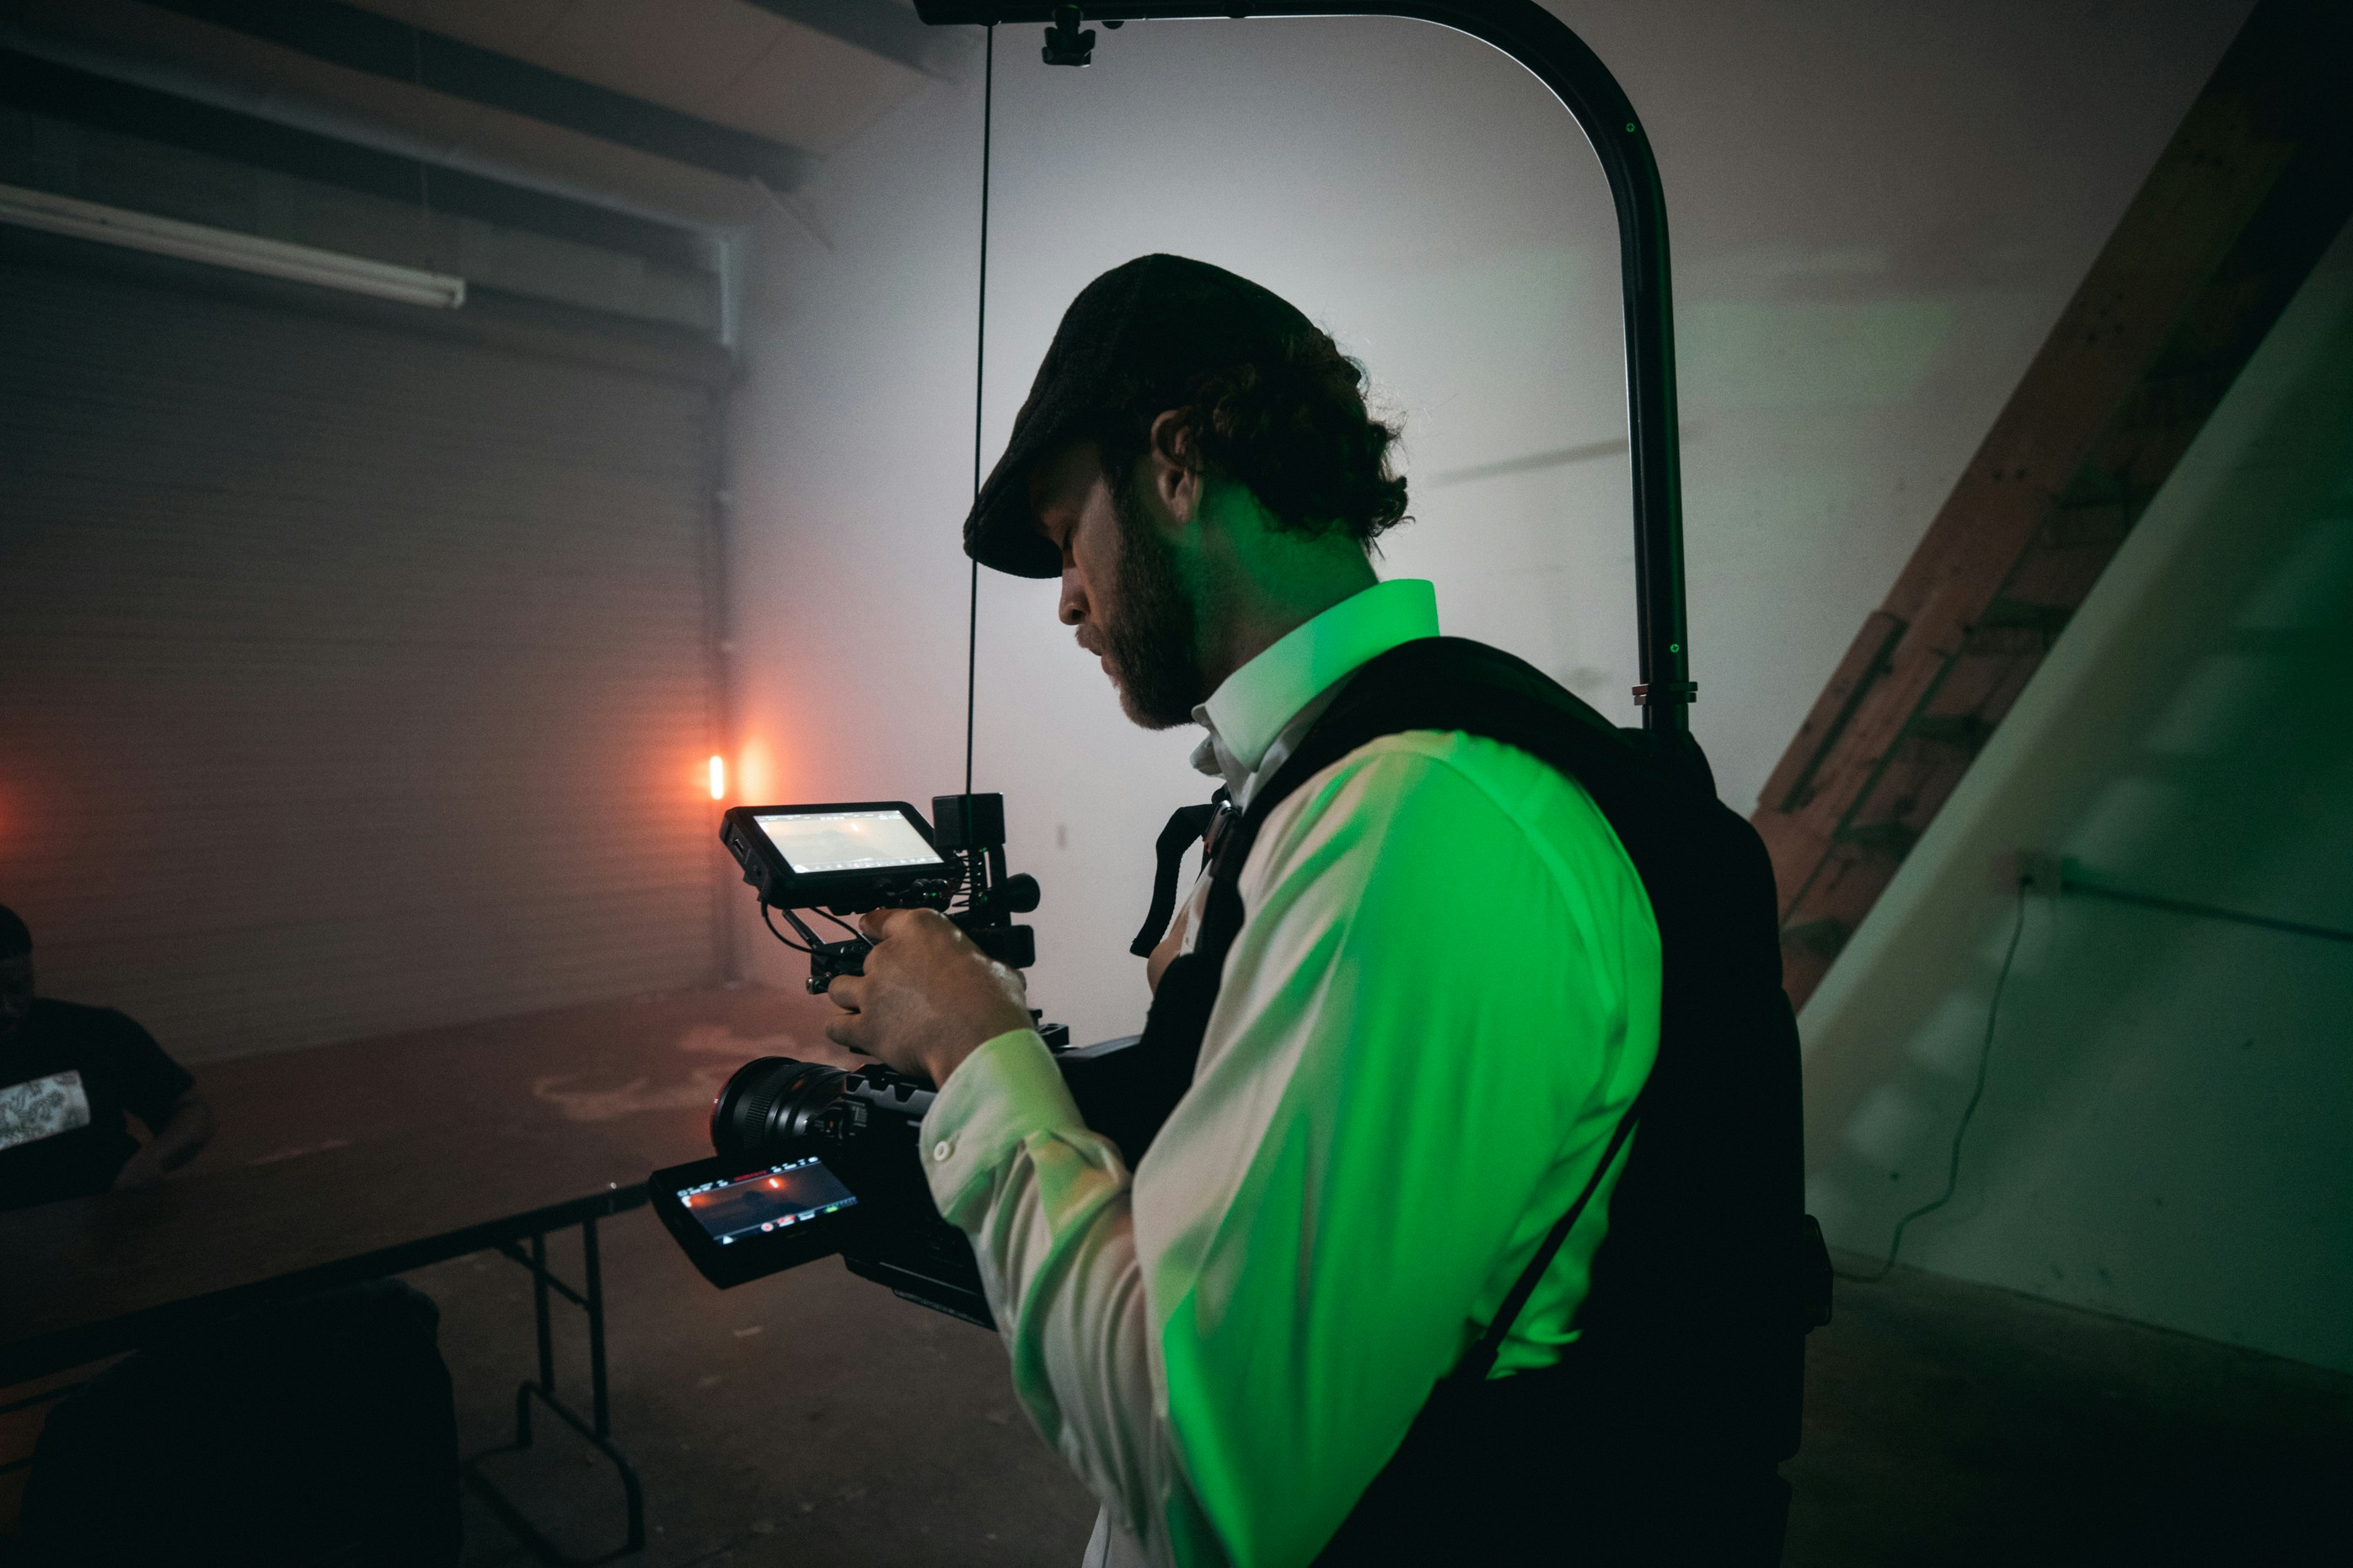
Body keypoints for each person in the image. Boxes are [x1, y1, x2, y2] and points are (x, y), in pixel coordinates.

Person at [819, 255, 1814, 1565]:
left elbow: (1198, 1469)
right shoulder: (1365, 776)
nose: (1065, 598)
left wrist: (972, 1050)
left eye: (1070, 540)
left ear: (1177, 464)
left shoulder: (1407, 827)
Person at [0, 904, 214, 1211]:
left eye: (18, 989)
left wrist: (148, 1163)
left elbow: (190, 1111)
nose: (6, 1008)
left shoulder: (93, 1033)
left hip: (114, 1227)